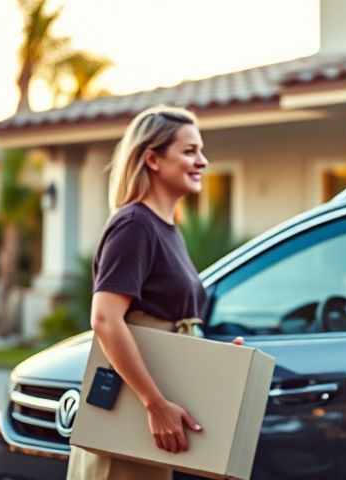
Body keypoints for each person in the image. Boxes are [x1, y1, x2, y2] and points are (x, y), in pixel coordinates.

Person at [66, 105, 243, 480]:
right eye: (190, 151)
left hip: (150, 413)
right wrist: (154, 404)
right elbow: (106, 319)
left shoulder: (166, 229)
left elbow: (164, 324)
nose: (203, 162)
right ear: (152, 158)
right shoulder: (134, 225)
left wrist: (217, 361)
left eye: (201, 151)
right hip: (131, 411)